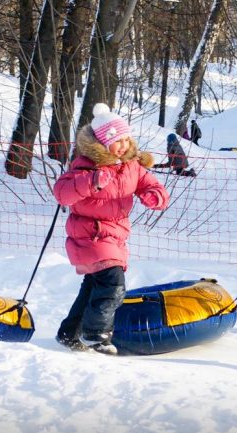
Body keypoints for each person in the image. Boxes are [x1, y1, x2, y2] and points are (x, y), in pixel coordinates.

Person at [53, 103, 169, 355]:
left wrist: (154, 196)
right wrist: (91, 182)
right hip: (90, 235)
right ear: (103, 143)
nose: (124, 145)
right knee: (113, 284)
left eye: (127, 139)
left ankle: (70, 333)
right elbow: (62, 193)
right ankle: (96, 334)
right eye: (118, 141)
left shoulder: (132, 166)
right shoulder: (86, 166)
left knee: (93, 287)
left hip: (114, 236)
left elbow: (155, 187)